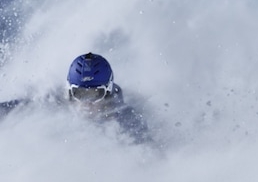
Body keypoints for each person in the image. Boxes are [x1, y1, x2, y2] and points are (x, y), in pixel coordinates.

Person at [0, 51, 150, 143]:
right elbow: (18, 109)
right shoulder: (55, 102)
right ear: (70, 91)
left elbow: (152, 156)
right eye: (80, 94)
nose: (86, 103)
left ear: (108, 91)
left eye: (94, 94)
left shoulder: (126, 121)